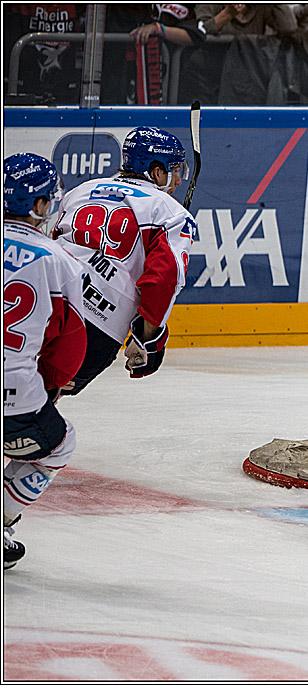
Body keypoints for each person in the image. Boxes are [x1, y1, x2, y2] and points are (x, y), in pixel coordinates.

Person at [53, 127, 196, 397]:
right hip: (97, 320)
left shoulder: (82, 190)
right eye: (175, 170)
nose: (178, 180)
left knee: (21, 374)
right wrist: (147, 338)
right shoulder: (170, 212)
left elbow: (52, 243)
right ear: (156, 172)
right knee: (45, 393)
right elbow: (164, 277)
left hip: (47, 295)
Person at [3, 153, 87, 569]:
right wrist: (53, 384)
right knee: (59, 442)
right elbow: (69, 342)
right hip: (13, 399)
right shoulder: (59, 261)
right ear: (39, 207)